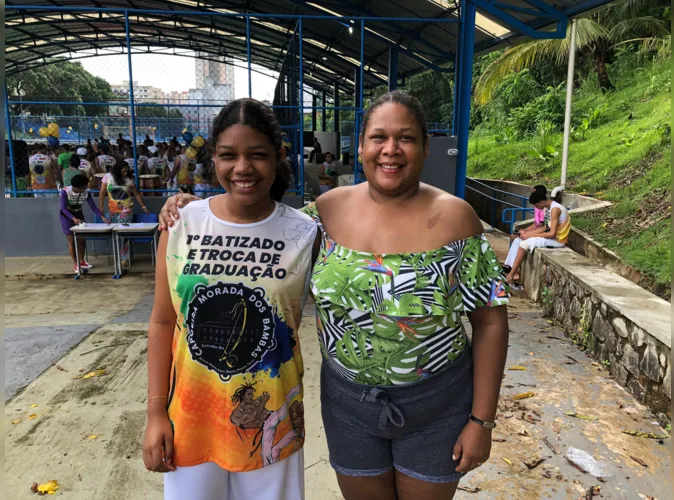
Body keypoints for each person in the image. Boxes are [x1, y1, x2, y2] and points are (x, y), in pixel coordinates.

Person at [159, 90, 509, 500]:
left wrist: (481, 420)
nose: (390, 150)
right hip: (349, 406)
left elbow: (490, 322)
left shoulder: (456, 218)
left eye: (406, 138)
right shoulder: (322, 215)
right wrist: (191, 209)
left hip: (436, 404)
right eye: (379, 137)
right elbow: (257, 227)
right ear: (360, 146)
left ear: (425, 147)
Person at [143, 98, 316, 500]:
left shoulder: (305, 231)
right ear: (213, 160)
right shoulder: (182, 222)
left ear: (278, 158)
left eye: (257, 154)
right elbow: (162, 321)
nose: (243, 167)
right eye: (228, 155)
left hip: (272, 421)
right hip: (191, 418)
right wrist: (155, 413)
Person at [504, 187, 571, 286]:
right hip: (551, 237)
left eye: (536, 205)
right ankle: (510, 269)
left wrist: (531, 235)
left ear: (542, 202)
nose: (536, 207)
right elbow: (545, 227)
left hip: (558, 241)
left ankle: (511, 275)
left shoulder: (555, 209)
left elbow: (551, 234)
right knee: (518, 240)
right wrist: (527, 233)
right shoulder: (549, 208)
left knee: (524, 244)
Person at [99, 160, 149, 269]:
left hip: (126, 211)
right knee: (116, 235)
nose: (125, 173)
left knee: (124, 235)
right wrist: (101, 209)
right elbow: (102, 193)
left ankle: (125, 259)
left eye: (127, 171)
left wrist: (143, 207)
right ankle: (120, 257)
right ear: (117, 171)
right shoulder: (108, 177)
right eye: (123, 171)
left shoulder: (129, 179)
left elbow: (137, 194)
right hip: (112, 211)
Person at [60, 174, 109, 273]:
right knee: (71, 241)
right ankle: (76, 263)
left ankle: (82, 261)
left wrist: (101, 216)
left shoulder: (86, 192)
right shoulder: (65, 192)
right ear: (78, 187)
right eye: (84, 186)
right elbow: (63, 209)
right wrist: (73, 218)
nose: (85, 188)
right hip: (67, 217)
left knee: (81, 240)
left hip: (79, 215)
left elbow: (93, 207)